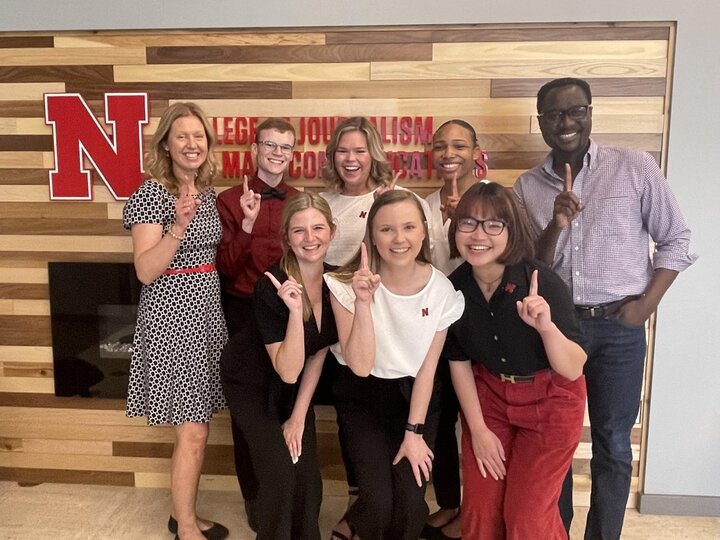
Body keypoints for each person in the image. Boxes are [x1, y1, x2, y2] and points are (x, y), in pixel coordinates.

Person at [513, 77, 697, 540]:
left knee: (613, 443)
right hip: (558, 328)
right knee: (555, 441)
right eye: (554, 115)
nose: (567, 123)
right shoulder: (527, 185)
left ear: (591, 112)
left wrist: (645, 307)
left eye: (576, 111)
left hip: (619, 327)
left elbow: (677, 239)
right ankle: (556, 532)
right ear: (541, 123)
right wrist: (556, 224)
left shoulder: (634, 167)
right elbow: (529, 262)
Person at [444, 181, 587, 540]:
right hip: (490, 398)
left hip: (552, 401)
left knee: (527, 519)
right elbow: (458, 361)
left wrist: (546, 328)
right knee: (479, 513)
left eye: (494, 224)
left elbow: (572, 368)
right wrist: (477, 431)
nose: (479, 235)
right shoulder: (454, 286)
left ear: (512, 230)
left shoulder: (541, 281)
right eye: (468, 223)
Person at [325, 189, 465, 540]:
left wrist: (414, 433)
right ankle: (357, 522)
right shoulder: (345, 284)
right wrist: (362, 302)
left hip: (415, 399)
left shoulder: (442, 290)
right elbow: (358, 365)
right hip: (363, 396)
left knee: (410, 503)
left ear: (423, 232)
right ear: (371, 234)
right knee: (377, 502)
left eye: (408, 227)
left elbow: (428, 370)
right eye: (386, 229)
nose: (399, 239)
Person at [320, 115, 432, 540]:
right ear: (333, 156)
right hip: (343, 312)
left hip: (391, 322)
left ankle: (378, 506)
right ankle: (364, 503)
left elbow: (411, 257)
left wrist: (389, 208)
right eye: (343, 151)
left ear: (373, 154)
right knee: (353, 420)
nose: (351, 159)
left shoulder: (390, 198)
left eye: (360, 150)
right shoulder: (324, 202)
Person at [123, 102, 229, 540]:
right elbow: (145, 270)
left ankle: (183, 512)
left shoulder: (206, 194)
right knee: (195, 431)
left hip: (207, 314)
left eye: (199, 136)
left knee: (198, 425)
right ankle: (185, 526)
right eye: (182, 136)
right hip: (173, 319)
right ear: (165, 144)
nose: (192, 144)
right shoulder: (151, 194)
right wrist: (177, 228)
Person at [220, 192, 338, 540]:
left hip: (294, 387)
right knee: (280, 475)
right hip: (251, 381)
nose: (310, 238)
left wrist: (299, 417)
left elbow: (318, 353)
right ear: (286, 238)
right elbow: (286, 367)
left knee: (309, 480)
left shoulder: (336, 283)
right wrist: (293, 311)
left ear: (332, 231)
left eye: (318, 228)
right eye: (299, 231)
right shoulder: (272, 286)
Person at [216, 117, 299, 529]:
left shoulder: (300, 200)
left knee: (284, 402)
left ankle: (285, 493)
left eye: (286, 147)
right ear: (255, 149)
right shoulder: (230, 200)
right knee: (246, 414)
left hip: (287, 314)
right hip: (242, 310)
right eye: (271, 145)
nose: (278, 153)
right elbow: (224, 268)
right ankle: (254, 498)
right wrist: (246, 226)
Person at [422, 119, 484, 540]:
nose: (449, 153)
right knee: (440, 419)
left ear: (476, 151)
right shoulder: (424, 203)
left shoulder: (490, 199)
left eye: (459, 145)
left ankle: (475, 510)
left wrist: (463, 220)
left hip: (480, 322)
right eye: (441, 145)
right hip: (436, 324)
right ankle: (449, 502)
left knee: (478, 420)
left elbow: (493, 258)